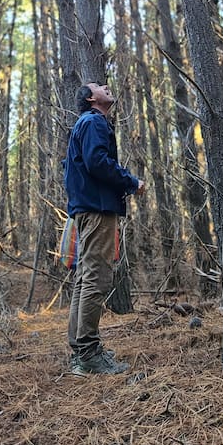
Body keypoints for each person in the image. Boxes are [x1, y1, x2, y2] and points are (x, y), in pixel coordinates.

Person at [64, 81, 145, 376]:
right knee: (95, 278)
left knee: (86, 279)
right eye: (98, 86)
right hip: (97, 209)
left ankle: (81, 351)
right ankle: (88, 354)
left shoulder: (85, 124)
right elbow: (97, 162)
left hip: (87, 207)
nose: (106, 86)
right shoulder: (94, 122)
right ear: (90, 98)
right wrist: (131, 182)